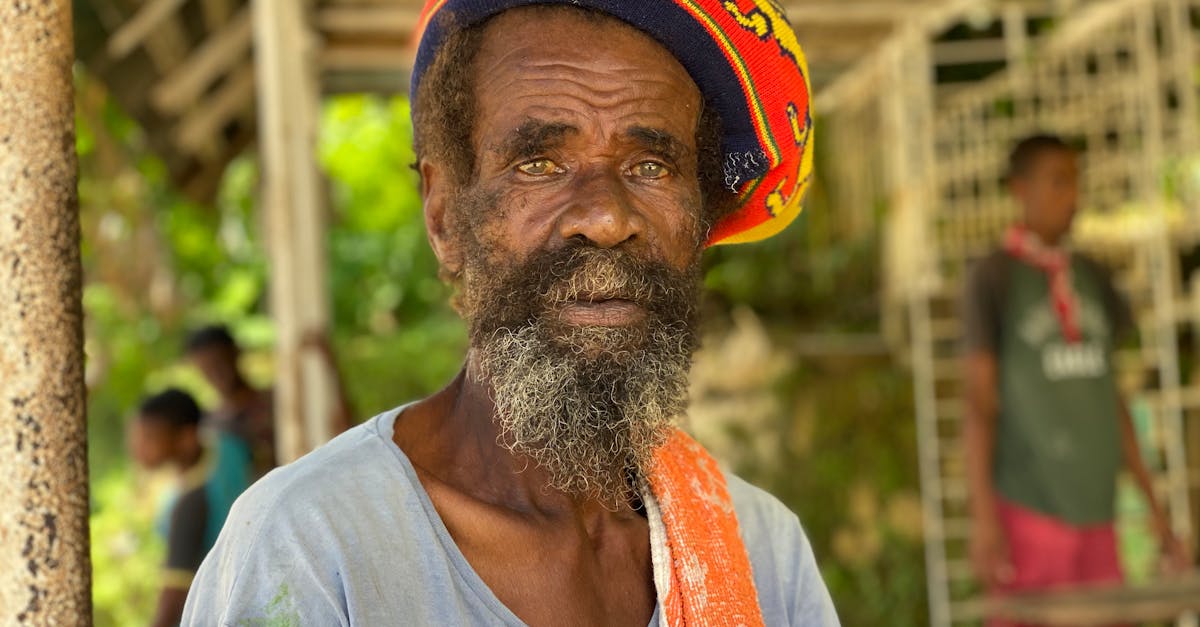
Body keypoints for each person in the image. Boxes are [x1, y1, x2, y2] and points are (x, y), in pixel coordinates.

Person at [184, 1, 835, 625]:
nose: (606, 217)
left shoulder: (761, 551)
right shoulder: (310, 548)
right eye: (540, 164)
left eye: (651, 165)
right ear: (443, 216)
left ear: (697, 221)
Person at [963, 134, 1191, 623]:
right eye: (1057, 182)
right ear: (1018, 189)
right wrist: (983, 518)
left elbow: (1110, 398)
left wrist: (1154, 508)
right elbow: (978, 403)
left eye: (1075, 181)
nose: (1072, 196)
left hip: (1098, 510)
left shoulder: (1093, 278)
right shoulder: (995, 278)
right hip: (1031, 508)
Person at [127, 388, 252, 627]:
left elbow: (175, 594)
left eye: (150, 437)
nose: (138, 448)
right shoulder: (229, 448)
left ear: (186, 437)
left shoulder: (189, 502)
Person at [185, 325, 355, 476]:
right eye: (207, 368)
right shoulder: (209, 428)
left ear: (235, 352)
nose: (216, 373)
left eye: (220, 362)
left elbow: (342, 428)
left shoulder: (279, 399)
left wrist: (328, 366)